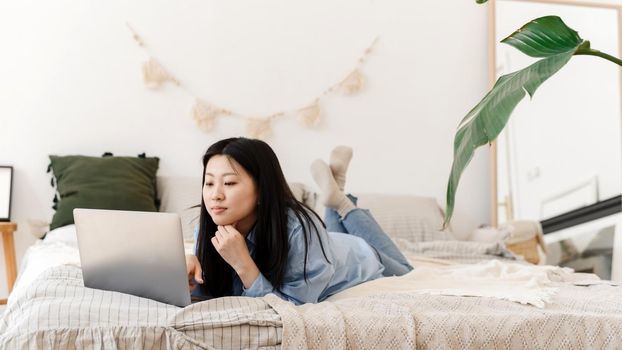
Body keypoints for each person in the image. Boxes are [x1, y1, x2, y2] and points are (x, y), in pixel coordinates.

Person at [186, 137, 412, 305]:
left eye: (229, 183)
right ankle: (336, 191)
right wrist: (186, 274)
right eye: (209, 183)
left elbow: (294, 308)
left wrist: (243, 263)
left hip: (356, 256)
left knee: (406, 270)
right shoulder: (207, 231)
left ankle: (341, 202)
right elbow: (210, 293)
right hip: (327, 245)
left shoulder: (299, 229)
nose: (215, 195)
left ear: (262, 190)